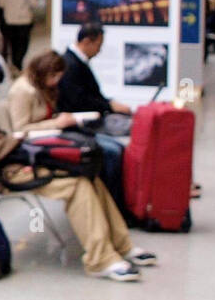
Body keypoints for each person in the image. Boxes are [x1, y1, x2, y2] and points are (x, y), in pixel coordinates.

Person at [0, 54, 157, 282]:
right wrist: (10, 142)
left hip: (10, 164)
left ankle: (120, 245)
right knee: (77, 185)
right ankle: (100, 259)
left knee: (88, 176)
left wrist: (9, 144)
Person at [9, 47, 127, 214]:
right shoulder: (22, 91)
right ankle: (112, 207)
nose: (56, 81)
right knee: (105, 152)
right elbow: (20, 128)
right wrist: (56, 123)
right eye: (54, 77)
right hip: (39, 141)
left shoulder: (43, 87)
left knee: (112, 149)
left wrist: (60, 120)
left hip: (56, 133)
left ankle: (114, 206)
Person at [0, 0, 38, 71]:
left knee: (12, 43)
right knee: (22, 43)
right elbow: (34, 3)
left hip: (10, 21)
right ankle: (18, 62)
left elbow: (0, 3)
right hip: (24, 21)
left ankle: (15, 61)